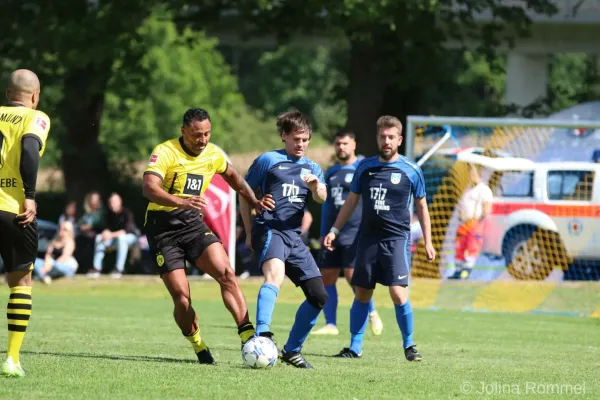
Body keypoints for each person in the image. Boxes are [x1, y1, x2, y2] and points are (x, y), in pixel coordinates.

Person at [142, 108, 274, 365]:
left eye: (206, 134)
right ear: (183, 132)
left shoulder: (213, 154)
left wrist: (254, 201)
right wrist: (180, 202)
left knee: (226, 273)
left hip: (192, 224)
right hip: (162, 229)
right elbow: (148, 187)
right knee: (182, 297)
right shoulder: (166, 151)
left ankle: (248, 338)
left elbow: (234, 177)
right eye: (196, 135)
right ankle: (199, 346)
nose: (202, 140)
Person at [324, 116, 435, 361]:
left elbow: (422, 207)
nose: (387, 141)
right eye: (383, 137)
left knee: (398, 293)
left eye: (391, 137)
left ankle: (409, 345)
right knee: (362, 293)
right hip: (367, 240)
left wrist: (428, 241)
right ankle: (354, 347)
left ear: (400, 139)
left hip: (396, 240)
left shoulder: (411, 170)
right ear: (377, 138)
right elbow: (351, 201)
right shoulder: (365, 168)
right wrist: (334, 229)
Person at [239, 110, 328, 369]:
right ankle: (263, 337)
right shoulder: (268, 161)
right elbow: (244, 193)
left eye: (305, 139)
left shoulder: (312, 168)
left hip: (294, 237)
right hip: (270, 229)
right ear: (284, 136)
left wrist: (315, 188)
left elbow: (322, 195)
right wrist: (248, 230)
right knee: (274, 276)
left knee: (319, 296)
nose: (301, 144)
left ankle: (292, 350)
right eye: (296, 139)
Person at [0, 69, 51, 377]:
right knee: (21, 283)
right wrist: (30, 196)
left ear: (8, 94)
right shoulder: (36, 118)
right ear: (35, 96)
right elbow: (30, 149)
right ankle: (12, 359)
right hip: (13, 209)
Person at [312, 129, 383, 336]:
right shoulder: (331, 171)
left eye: (345, 143)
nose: (341, 147)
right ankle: (331, 324)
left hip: (356, 233)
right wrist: (324, 232)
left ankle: (372, 312)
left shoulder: (363, 168)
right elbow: (326, 207)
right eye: (338, 144)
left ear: (354, 145)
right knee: (327, 277)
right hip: (332, 234)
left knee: (353, 277)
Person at [449, 164, 492, 280]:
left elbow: (486, 208)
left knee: (472, 246)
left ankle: (466, 270)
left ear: (478, 174)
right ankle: (457, 270)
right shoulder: (467, 189)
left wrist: (478, 222)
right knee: (459, 246)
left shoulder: (483, 189)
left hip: (475, 223)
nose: (470, 176)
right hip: (463, 223)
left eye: (472, 173)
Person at [87, 192, 139, 279]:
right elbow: (107, 228)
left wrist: (110, 235)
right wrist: (105, 233)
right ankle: (96, 268)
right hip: (115, 239)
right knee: (99, 238)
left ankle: (119, 269)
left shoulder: (127, 213)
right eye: (110, 202)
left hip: (131, 238)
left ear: (120, 202)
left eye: (114, 202)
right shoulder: (108, 214)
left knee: (121, 238)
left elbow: (126, 231)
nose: (112, 204)